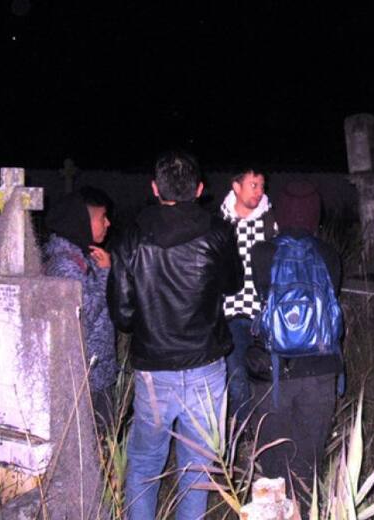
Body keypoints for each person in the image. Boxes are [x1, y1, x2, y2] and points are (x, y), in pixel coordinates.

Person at [108, 151, 243, 520]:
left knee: (144, 463)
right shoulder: (219, 233)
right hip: (206, 365)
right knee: (198, 468)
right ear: (199, 190)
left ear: (155, 188)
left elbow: (122, 316)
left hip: (154, 371)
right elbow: (233, 284)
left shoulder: (130, 238)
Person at [248, 180, 343, 491]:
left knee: (273, 465)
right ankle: (304, 507)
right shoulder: (330, 255)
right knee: (307, 464)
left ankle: (276, 509)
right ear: (315, 214)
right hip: (320, 369)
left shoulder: (261, 253)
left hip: (273, 370)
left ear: (281, 213)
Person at [44, 186, 118, 430]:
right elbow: (82, 318)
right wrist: (106, 274)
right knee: (93, 438)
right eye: (102, 217)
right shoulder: (65, 266)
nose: (108, 223)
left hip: (97, 370)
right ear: (82, 221)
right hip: (85, 376)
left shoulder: (85, 255)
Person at [219, 168, 277, 420]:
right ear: (236, 186)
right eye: (253, 185)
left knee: (265, 379)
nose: (259, 191)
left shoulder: (271, 223)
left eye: (262, 185)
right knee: (237, 381)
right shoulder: (220, 224)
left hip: (262, 315)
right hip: (229, 315)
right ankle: (242, 433)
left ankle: (265, 431)